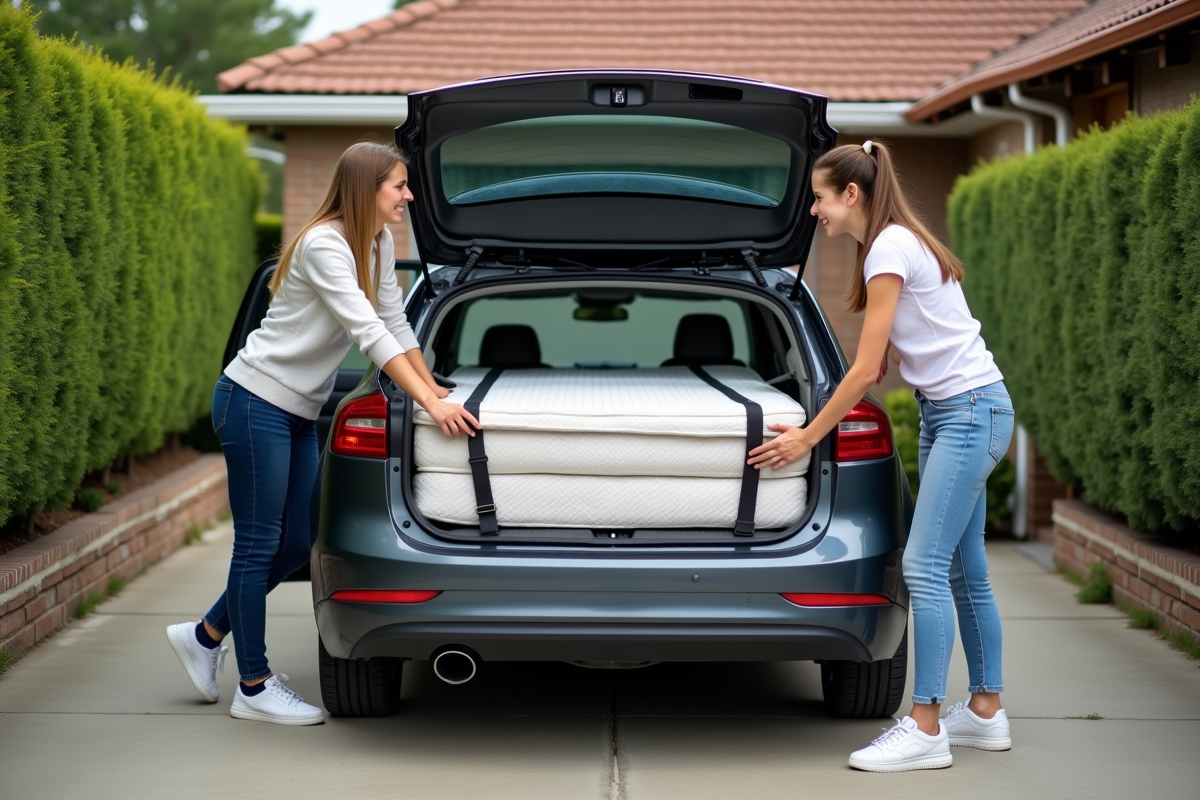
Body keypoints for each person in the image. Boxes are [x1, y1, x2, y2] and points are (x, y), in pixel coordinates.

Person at [166, 142, 479, 725]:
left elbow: (393, 321)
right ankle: (253, 686)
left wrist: (432, 387)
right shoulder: (323, 245)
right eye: (399, 185)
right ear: (367, 188)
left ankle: (204, 636)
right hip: (254, 401)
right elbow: (366, 332)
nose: (409, 196)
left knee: (295, 545)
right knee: (257, 544)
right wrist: (428, 405)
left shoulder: (377, 241)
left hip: (298, 411)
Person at [749, 140, 1014, 771]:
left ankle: (925, 727)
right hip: (966, 409)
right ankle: (985, 711)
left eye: (820, 198)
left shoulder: (889, 247)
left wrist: (808, 435)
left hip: (967, 414)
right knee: (963, 571)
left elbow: (867, 368)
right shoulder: (898, 242)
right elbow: (905, 341)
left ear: (852, 193)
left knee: (924, 567)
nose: (814, 211)